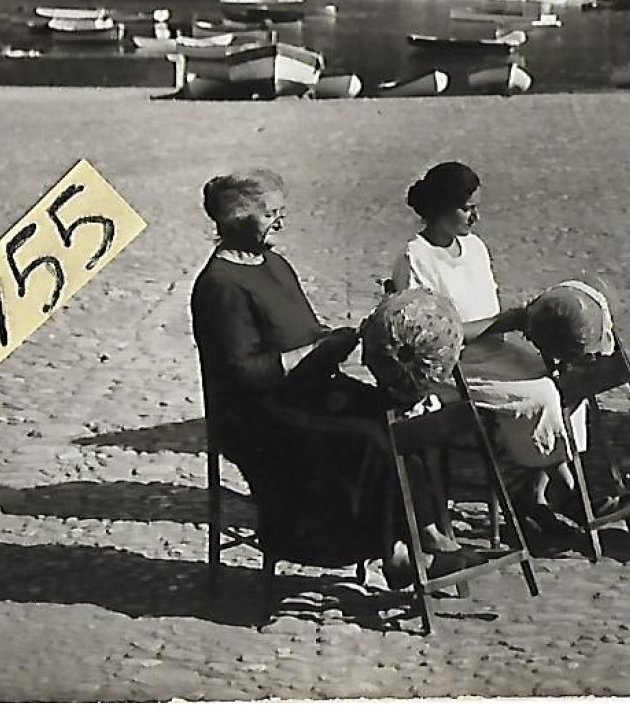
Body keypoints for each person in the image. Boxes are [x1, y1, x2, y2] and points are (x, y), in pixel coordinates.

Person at [190, 171, 458, 589]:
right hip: (258, 415)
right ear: (235, 220)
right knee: (368, 441)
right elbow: (244, 373)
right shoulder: (220, 285)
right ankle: (407, 548)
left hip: (303, 392)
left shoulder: (274, 263)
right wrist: (315, 352)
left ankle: (418, 536)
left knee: (402, 418)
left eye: (280, 212)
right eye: (269, 214)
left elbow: (305, 329)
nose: (280, 222)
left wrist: (342, 336)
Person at [391, 161, 588, 539]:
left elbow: (489, 311)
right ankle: (565, 490)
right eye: (467, 208)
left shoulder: (475, 248)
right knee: (542, 393)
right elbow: (429, 339)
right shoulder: (415, 257)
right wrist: (506, 321)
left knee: (565, 382)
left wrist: (522, 320)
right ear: (442, 208)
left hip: (494, 350)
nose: (475, 216)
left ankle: (538, 490)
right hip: (454, 366)